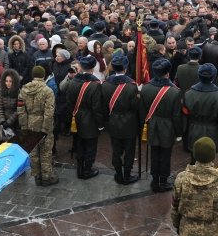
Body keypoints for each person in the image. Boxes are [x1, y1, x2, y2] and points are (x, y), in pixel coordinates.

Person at [142, 58, 184, 192]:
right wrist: (178, 133)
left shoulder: (146, 88)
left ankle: (155, 180)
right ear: (167, 73)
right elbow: (177, 115)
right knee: (165, 155)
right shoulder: (175, 91)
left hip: (152, 124)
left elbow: (142, 110)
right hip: (168, 126)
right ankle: (163, 181)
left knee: (154, 153)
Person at [100, 54, 140, 184]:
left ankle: (118, 174)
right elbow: (135, 107)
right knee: (129, 152)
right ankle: (127, 176)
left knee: (116, 150)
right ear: (126, 68)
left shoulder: (105, 84)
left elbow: (104, 105)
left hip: (113, 121)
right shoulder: (132, 86)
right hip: (130, 123)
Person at [17, 66, 58, 186]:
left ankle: (37, 177)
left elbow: (20, 109)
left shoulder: (24, 90)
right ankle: (47, 177)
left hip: (29, 123)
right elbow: (49, 111)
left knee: (33, 152)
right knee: (45, 152)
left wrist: (24, 126)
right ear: (43, 76)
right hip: (43, 124)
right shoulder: (47, 91)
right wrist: (46, 128)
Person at [66, 55, 104, 179]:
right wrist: (100, 124)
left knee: (80, 144)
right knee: (90, 146)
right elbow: (97, 107)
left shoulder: (72, 81)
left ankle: (80, 169)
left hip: (75, 117)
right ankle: (87, 170)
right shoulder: (95, 84)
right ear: (93, 68)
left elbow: (69, 102)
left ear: (81, 67)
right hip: (90, 119)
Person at [183, 63, 218, 157]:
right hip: (212, 132)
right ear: (213, 77)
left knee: (194, 159)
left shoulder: (188, 93)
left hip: (194, 130)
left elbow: (185, 115)